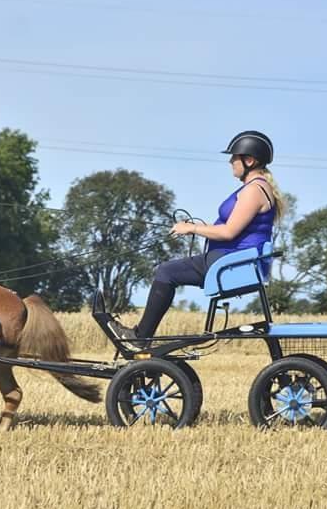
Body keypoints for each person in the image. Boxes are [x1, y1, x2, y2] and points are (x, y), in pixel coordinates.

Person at [108, 130, 284, 348]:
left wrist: (191, 228)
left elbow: (228, 232)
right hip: (232, 259)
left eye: (234, 157)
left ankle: (140, 337)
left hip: (231, 262)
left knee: (166, 272)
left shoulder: (253, 191)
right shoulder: (257, 188)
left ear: (249, 160)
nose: (230, 162)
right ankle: (141, 336)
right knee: (168, 270)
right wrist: (194, 227)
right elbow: (231, 228)